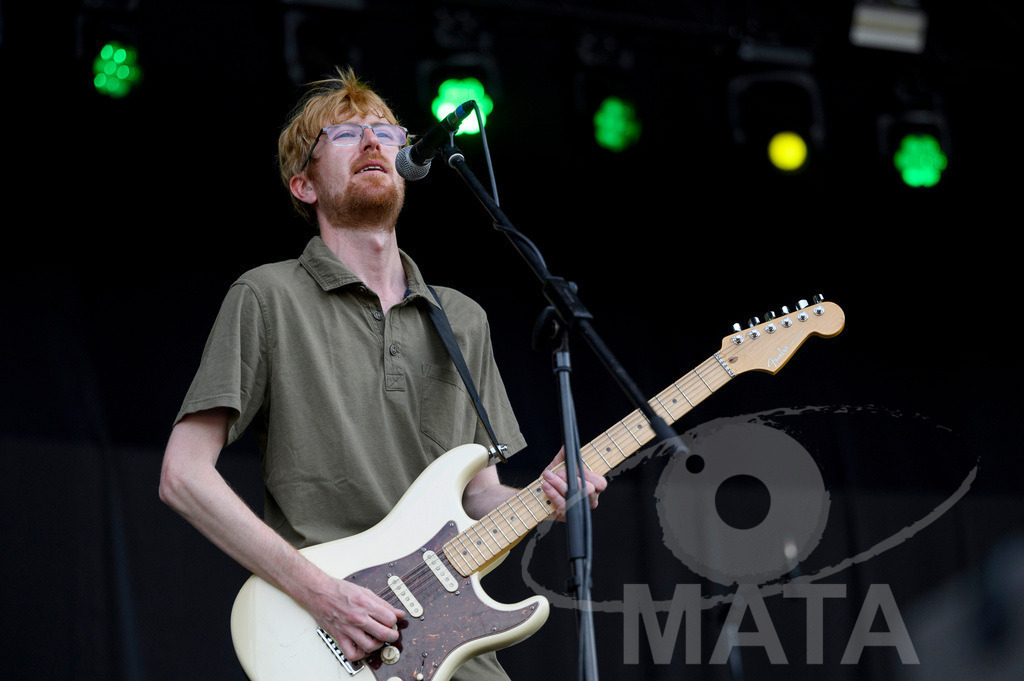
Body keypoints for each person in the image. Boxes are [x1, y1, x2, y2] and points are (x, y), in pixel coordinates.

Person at [158, 66, 607, 681]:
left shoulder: (462, 319)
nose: (372, 143)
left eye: (386, 132)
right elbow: (183, 477)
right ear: (304, 186)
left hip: (453, 651)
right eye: (343, 135)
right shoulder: (267, 297)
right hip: (331, 639)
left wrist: (545, 500)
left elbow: (477, 494)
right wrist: (323, 595)